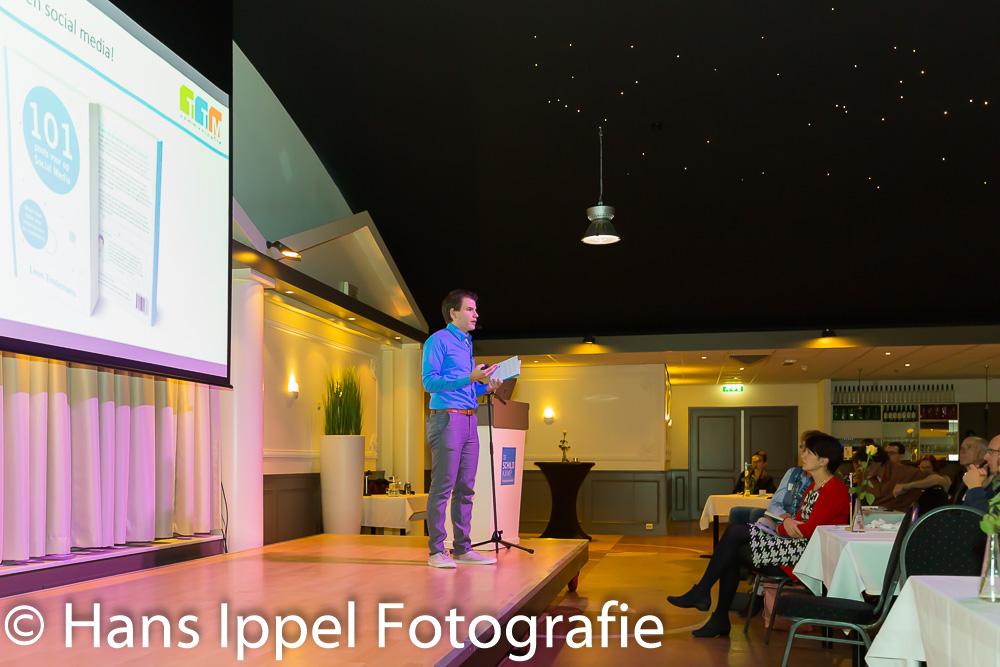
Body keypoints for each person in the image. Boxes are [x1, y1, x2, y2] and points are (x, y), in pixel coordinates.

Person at [668, 432, 849, 638]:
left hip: (810, 555)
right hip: (797, 546)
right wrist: (787, 524)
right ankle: (714, 611)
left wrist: (786, 524)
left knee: (734, 536)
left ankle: (706, 598)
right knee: (733, 548)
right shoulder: (815, 486)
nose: (803, 454)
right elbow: (796, 523)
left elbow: (806, 530)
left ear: (824, 461)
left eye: (809, 452)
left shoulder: (834, 489)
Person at [421, 289, 502, 568]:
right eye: (470, 309)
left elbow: (464, 387)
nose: (476, 314)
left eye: (475, 309)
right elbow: (429, 383)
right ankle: (436, 552)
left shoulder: (466, 343)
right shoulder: (437, 341)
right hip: (447, 419)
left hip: (469, 419)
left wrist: (485, 387)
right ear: (453, 313)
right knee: (443, 487)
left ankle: (462, 549)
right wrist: (470, 376)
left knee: (466, 488)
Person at [728, 432, 817, 526]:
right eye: (802, 447)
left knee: (756, 514)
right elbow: (774, 503)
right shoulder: (792, 472)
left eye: (807, 449)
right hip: (783, 515)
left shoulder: (819, 480)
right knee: (736, 512)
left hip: (797, 522)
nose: (802, 452)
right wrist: (780, 514)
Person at [851, 447, 949, 511]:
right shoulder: (865, 477)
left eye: (867, 464)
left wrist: (909, 486)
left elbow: (941, 480)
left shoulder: (902, 471)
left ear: (879, 462)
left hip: (900, 524)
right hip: (872, 521)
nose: (863, 469)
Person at [963, 435, 1000, 513]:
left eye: (991, 452)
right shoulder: (995, 484)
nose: (985, 457)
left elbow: (991, 518)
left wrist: (974, 487)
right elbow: (966, 515)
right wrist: (980, 487)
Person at [948, 436, 988, 504]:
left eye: (969, 447)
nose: (962, 451)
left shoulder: (985, 477)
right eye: (961, 448)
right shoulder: (960, 474)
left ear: (982, 454)